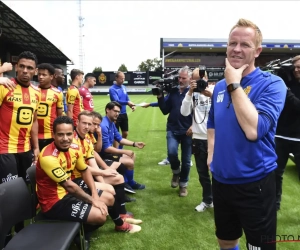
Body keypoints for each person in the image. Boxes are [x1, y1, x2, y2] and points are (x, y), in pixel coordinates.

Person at [207, 18, 286, 250]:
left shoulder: (272, 84)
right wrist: (212, 155)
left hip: (255, 183)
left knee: (259, 247)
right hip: (221, 181)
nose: (237, 49)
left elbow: (254, 131)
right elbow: (212, 122)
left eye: (245, 45)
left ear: (257, 51)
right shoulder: (220, 86)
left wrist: (234, 84)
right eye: (233, 43)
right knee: (226, 240)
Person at [36, 116, 108, 248]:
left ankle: (80, 232)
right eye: (60, 134)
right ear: (53, 135)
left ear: (72, 133)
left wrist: (94, 194)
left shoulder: (74, 148)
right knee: (100, 215)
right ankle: (77, 235)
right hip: (53, 202)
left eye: (69, 134)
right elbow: (69, 186)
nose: (65, 138)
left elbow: (85, 170)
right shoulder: (48, 157)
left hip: (67, 193)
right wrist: (93, 200)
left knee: (108, 199)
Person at [72, 111, 142, 233]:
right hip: (77, 178)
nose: (89, 127)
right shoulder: (73, 140)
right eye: (86, 123)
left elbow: (92, 158)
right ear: (77, 122)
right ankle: (119, 222)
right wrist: (103, 174)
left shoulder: (87, 138)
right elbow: (82, 167)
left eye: (90, 124)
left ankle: (122, 215)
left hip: (88, 175)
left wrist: (102, 175)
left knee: (117, 179)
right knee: (109, 189)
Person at [0, 51, 40, 244]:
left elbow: (33, 121)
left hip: (25, 150)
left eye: (29, 68)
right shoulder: (5, 86)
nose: (25, 71)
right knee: (8, 192)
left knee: (25, 191)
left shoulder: (36, 92)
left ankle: (21, 230)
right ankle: (6, 235)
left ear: (35, 71)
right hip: (4, 150)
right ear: (16, 67)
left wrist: (36, 148)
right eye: (21, 66)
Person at [180, 68, 214, 211]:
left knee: (218, 172)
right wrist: (189, 92)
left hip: (216, 139)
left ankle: (221, 200)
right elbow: (184, 112)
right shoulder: (191, 94)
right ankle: (207, 200)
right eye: (194, 80)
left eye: (200, 79)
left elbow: (226, 108)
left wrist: (210, 95)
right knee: (202, 174)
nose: (198, 82)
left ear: (205, 78)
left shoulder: (215, 89)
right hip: (198, 139)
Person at [157, 66, 193, 197]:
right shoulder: (173, 92)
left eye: (184, 78)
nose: (181, 80)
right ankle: (176, 172)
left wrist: (193, 126)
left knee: (187, 160)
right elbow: (165, 110)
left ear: (190, 78)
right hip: (172, 128)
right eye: (179, 77)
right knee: (172, 153)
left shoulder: (194, 92)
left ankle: (183, 185)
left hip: (188, 130)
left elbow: (199, 113)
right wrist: (160, 96)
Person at [99, 101, 146, 191]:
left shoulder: (111, 123)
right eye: (115, 111)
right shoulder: (104, 125)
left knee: (132, 155)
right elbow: (106, 149)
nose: (117, 114)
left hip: (107, 153)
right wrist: (124, 151)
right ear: (107, 110)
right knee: (129, 162)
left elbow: (120, 139)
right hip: (102, 156)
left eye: (118, 112)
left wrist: (134, 144)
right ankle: (128, 183)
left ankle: (127, 182)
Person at [275, 55, 300, 211]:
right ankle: (274, 205)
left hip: (299, 138)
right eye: (295, 67)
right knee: (276, 174)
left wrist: (287, 92)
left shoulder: (287, 87)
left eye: (299, 68)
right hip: (281, 135)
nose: (296, 70)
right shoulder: (287, 80)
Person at [37, 63, 63, 151]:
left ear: (51, 77)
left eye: (44, 75)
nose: (40, 77)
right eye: (39, 74)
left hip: (50, 135)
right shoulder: (32, 90)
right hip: (32, 135)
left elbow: (59, 115)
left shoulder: (57, 93)